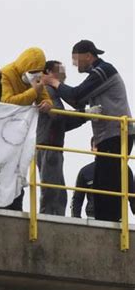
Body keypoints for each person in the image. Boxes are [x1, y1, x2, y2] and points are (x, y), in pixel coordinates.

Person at [44, 40, 134, 222]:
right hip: (108, 136)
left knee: (109, 183)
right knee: (101, 183)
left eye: (76, 59)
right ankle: (105, 221)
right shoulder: (97, 75)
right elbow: (78, 101)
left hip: (116, 133)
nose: (75, 64)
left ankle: (111, 223)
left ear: (88, 55)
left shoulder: (103, 70)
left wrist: (54, 82)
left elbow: (76, 95)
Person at [0, 47, 53, 211]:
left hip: (20, 135)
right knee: (2, 170)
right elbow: (7, 102)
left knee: (19, 171)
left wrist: (47, 104)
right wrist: (32, 92)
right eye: (33, 71)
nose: (36, 75)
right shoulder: (6, 74)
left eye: (39, 71)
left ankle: (16, 205)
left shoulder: (36, 80)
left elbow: (46, 98)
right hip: (1, 133)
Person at [37, 60, 87, 216]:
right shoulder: (48, 91)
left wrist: (84, 116)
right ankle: (49, 219)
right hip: (49, 145)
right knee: (53, 189)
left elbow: (62, 122)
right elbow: (59, 117)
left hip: (51, 145)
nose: (63, 73)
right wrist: (84, 114)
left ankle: (52, 217)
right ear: (47, 72)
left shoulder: (51, 92)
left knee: (57, 189)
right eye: (59, 70)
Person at [71, 138, 96, 219]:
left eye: (101, 145)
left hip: (117, 219)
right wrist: (76, 219)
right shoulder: (85, 172)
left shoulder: (121, 169)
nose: (99, 148)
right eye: (96, 146)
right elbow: (77, 198)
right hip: (93, 216)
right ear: (92, 149)